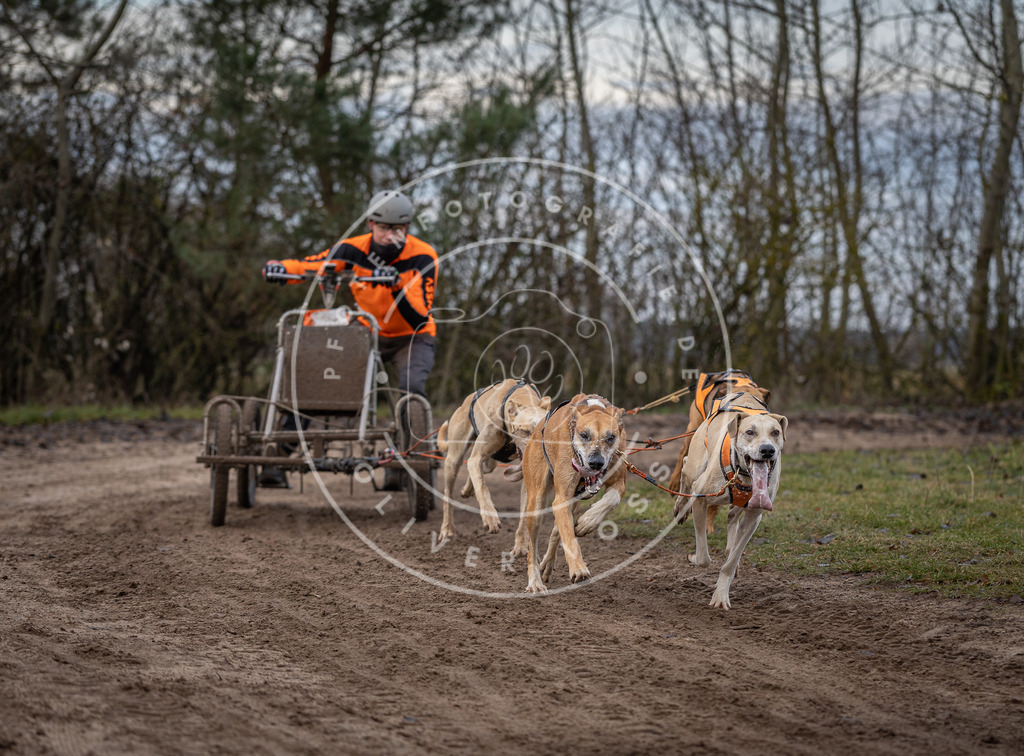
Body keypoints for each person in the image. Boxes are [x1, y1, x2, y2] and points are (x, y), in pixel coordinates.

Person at [259, 189, 438, 488]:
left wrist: (395, 287)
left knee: (412, 388)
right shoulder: (351, 249)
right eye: (383, 227)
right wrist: (280, 269)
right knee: (318, 380)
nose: (389, 234)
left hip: (412, 337)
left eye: (397, 229)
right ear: (370, 224)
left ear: (407, 228)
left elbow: (419, 316)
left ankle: (406, 458)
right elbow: (314, 265)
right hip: (367, 334)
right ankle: (279, 454)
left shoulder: (423, 256)